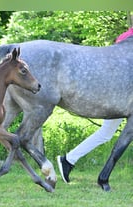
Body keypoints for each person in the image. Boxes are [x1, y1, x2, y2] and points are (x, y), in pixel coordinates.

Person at [57, 27, 133, 183]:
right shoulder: (127, 37)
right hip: (120, 97)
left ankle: (69, 160)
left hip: (119, 95)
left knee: (105, 133)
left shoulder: (125, 36)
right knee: (106, 132)